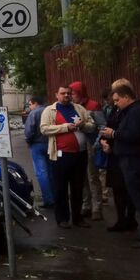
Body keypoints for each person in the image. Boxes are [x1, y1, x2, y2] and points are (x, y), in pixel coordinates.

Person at [41, 84, 97, 228]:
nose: (66, 95)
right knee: (61, 189)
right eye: (63, 93)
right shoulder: (50, 110)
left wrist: (83, 124)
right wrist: (65, 127)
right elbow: (44, 129)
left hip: (80, 155)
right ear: (56, 95)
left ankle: (78, 218)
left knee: (78, 188)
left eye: (68, 93)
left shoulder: (79, 109)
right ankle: (63, 219)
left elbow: (92, 126)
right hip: (60, 156)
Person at [101, 83, 140, 248]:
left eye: (118, 100)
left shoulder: (136, 112)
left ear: (127, 97)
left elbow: (133, 135)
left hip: (134, 161)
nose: (116, 103)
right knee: (136, 197)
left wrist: (113, 134)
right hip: (128, 159)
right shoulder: (128, 111)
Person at [69, 81, 104, 221]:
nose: (71, 96)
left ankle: (97, 208)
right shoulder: (72, 107)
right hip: (77, 147)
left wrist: (97, 143)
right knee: (81, 178)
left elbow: (102, 126)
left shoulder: (93, 106)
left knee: (92, 177)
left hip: (91, 145)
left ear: (80, 93)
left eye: (73, 93)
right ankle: (86, 205)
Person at [24, 96, 53, 208]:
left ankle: (48, 200)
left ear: (35, 103)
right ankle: (55, 196)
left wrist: (28, 141)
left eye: (30, 104)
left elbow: (29, 131)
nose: (30, 107)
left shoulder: (33, 113)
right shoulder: (50, 110)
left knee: (42, 173)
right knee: (51, 172)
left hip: (37, 145)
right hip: (50, 144)